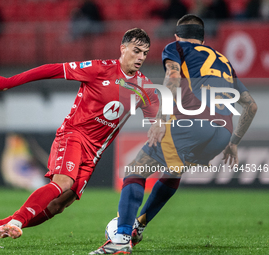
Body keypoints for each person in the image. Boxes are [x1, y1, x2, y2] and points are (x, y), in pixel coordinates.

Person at [0, 28, 159, 248]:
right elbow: (51, 70)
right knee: (63, 182)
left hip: (95, 152)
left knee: (59, 204)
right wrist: (9, 82)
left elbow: (158, 116)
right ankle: (16, 222)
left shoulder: (144, 87)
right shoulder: (99, 69)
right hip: (73, 135)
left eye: (145, 53)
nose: (140, 57)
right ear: (123, 48)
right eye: (136, 51)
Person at [90, 14, 257, 254]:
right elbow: (251, 106)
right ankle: (139, 226)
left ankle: (121, 240)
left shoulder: (175, 47)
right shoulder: (223, 61)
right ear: (202, 38)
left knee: (136, 171)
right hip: (223, 133)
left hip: (194, 124)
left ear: (177, 35)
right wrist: (233, 143)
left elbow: (174, 77)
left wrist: (160, 120)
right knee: (173, 170)